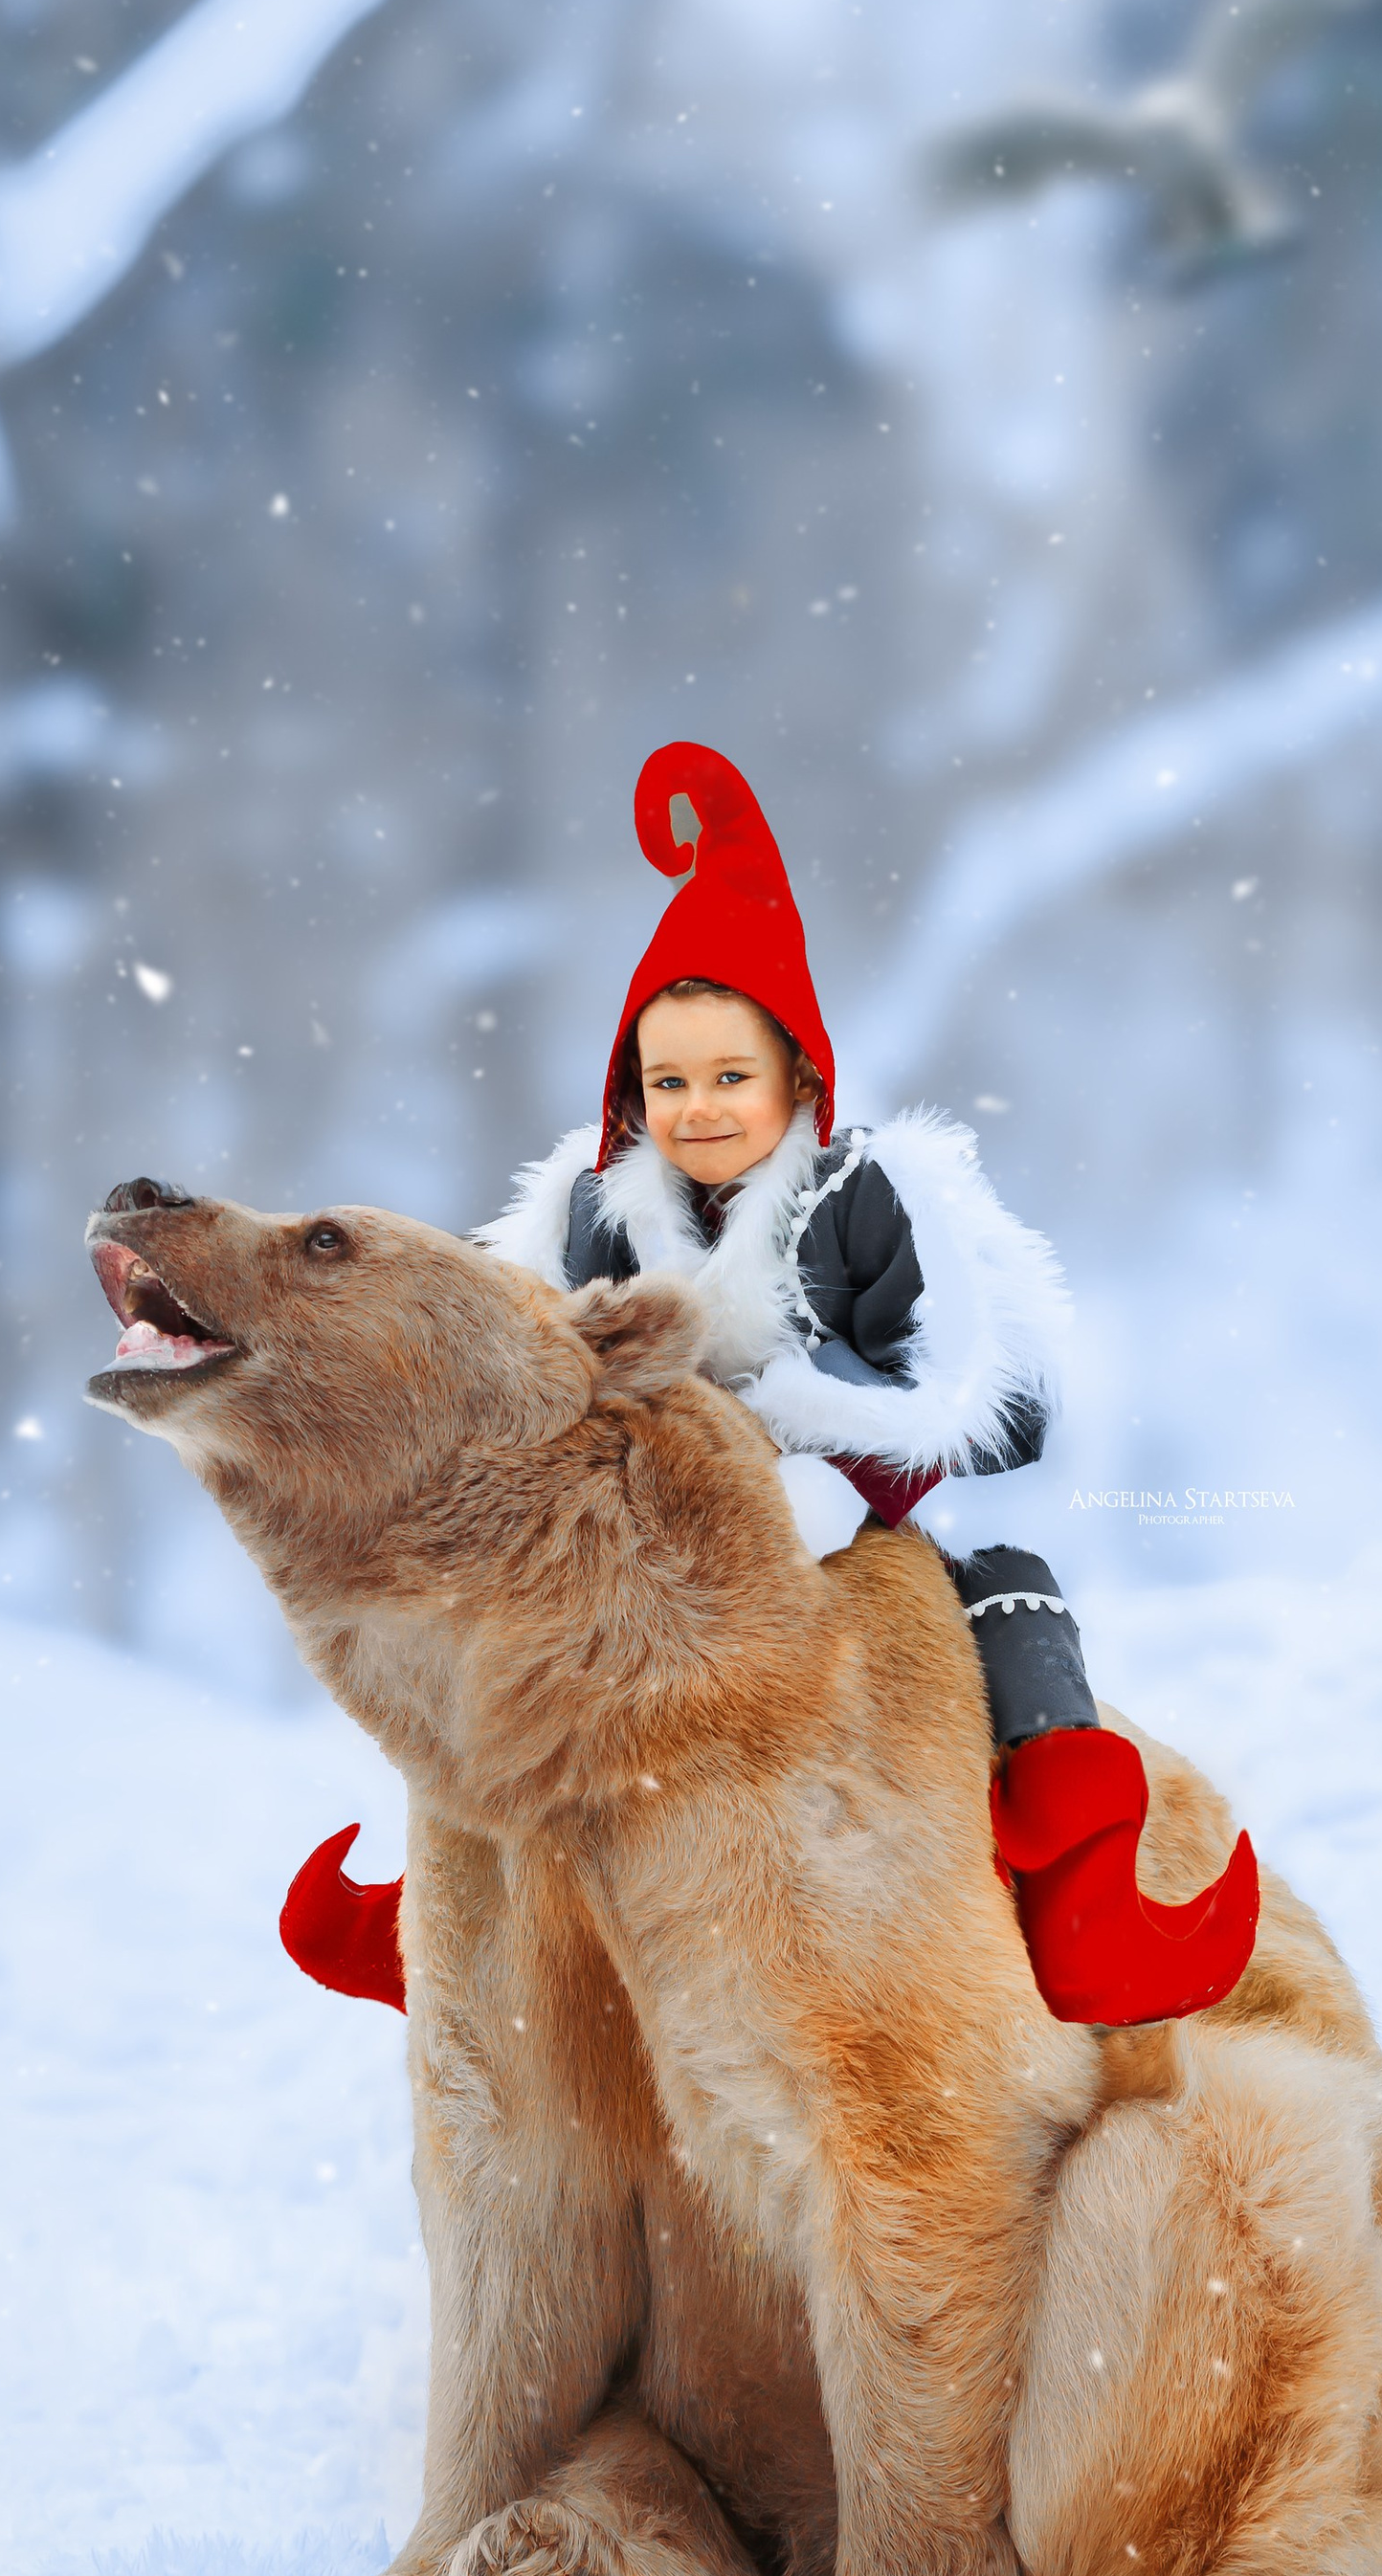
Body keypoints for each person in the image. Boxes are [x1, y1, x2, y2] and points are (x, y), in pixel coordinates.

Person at [279, 742, 1255, 2026]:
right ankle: (452, 1911)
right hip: (654, 1520)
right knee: (510, 1654)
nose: (697, 1109)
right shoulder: (594, 1209)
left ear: (799, 1077)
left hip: (852, 1496)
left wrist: (807, 1404)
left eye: (729, 1077)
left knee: (1006, 1593)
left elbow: (986, 1397)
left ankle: (1079, 1884)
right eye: (666, 1082)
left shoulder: (870, 1200)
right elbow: (506, 1338)